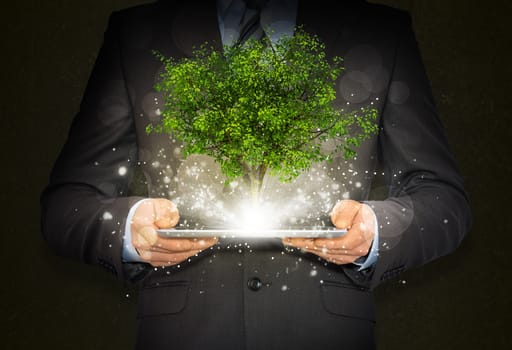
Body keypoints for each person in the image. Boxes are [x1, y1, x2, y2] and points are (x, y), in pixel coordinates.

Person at [40, 0, 472, 349]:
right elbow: (65, 205)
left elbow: (442, 197)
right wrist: (129, 228)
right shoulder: (138, 33)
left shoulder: (378, 32)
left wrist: (377, 231)